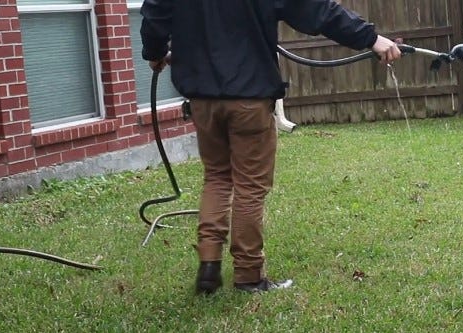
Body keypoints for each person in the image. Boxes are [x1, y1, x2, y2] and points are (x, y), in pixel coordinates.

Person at [140, 0, 402, 294]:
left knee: (217, 177)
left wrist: (154, 53)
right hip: (248, 97)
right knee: (250, 186)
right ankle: (249, 275)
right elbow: (316, 11)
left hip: (202, 99)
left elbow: (154, 13)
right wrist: (372, 39)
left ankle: (209, 266)